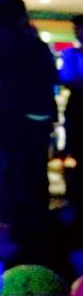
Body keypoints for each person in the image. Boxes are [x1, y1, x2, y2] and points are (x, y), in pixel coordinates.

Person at [0, 0, 58, 263]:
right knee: (32, 171)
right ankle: (34, 225)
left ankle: (19, 224)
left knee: (14, 169)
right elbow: (47, 73)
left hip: (4, 110)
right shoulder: (26, 41)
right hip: (31, 112)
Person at [61, 15, 83, 207]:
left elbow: (67, 79)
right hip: (77, 106)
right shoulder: (70, 54)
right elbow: (67, 79)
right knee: (76, 147)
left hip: (76, 104)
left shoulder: (71, 55)